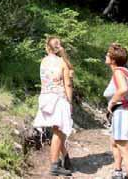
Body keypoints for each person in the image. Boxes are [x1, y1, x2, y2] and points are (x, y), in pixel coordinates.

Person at [33, 37, 73, 176]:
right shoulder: (62, 62)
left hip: (45, 98)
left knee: (57, 130)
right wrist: (70, 102)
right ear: (59, 47)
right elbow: (67, 84)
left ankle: (66, 157)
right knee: (59, 131)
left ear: (46, 48)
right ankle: (55, 164)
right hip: (59, 98)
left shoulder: (43, 61)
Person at [104, 43, 128, 179]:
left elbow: (122, 89)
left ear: (113, 59)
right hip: (126, 113)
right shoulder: (126, 71)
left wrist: (111, 103)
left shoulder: (118, 72)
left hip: (122, 114)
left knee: (126, 152)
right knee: (114, 141)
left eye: (107, 54)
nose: (105, 56)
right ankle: (117, 171)